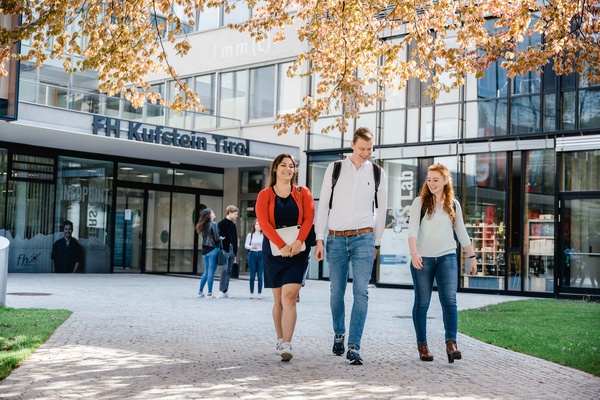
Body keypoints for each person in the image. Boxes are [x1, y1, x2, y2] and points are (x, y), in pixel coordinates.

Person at [314, 127, 388, 366]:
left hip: (364, 238)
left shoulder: (377, 173)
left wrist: (377, 241)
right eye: (362, 148)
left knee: (361, 292)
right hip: (335, 239)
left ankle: (354, 346)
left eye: (370, 149)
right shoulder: (335, 169)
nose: (367, 153)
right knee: (336, 292)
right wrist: (319, 238)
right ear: (352, 145)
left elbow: (381, 210)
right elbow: (323, 205)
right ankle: (339, 333)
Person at [407, 163, 477, 363]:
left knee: (450, 301)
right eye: (428, 180)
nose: (431, 183)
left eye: (435, 180)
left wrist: (471, 257)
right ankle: (423, 346)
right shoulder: (419, 202)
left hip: (447, 257)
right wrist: (414, 253)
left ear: (446, 181)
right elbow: (412, 231)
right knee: (422, 303)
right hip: (422, 258)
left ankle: (451, 343)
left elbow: (461, 231)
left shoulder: (453, 204)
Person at [256, 153, 315, 362]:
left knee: (290, 295)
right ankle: (280, 338)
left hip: (299, 250)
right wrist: (281, 245)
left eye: (291, 166)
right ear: (275, 169)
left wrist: (298, 242)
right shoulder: (265, 195)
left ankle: (288, 343)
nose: (288, 169)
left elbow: (309, 219)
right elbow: (263, 223)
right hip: (273, 251)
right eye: (283, 165)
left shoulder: (303, 192)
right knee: (278, 299)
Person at [196, 209, 220, 299]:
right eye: (212, 212)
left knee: (206, 271)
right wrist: (221, 238)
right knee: (211, 272)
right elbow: (217, 238)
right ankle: (210, 293)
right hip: (213, 249)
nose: (214, 213)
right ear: (210, 215)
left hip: (204, 250)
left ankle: (200, 292)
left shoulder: (203, 225)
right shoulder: (214, 224)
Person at [217, 205, 239, 298]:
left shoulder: (233, 225)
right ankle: (221, 290)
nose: (236, 216)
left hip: (232, 250)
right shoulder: (221, 224)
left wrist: (235, 253)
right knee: (224, 269)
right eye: (235, 214)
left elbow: (235, 239)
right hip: (224, 250)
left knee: (229, 270)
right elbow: (217, 238)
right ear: (229, 213)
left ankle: (226, 290)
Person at [245, 219, 264, 299]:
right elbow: (246, 245)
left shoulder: (264, 235)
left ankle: (259, 292)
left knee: (260, 275)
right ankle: (251, 292)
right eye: (257, 224)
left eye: (260, 224)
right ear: (254, 226)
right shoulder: (250, 235)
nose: (258, 226)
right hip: (252, 254)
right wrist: (251, 247)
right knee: (252, 275)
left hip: (261, 254)